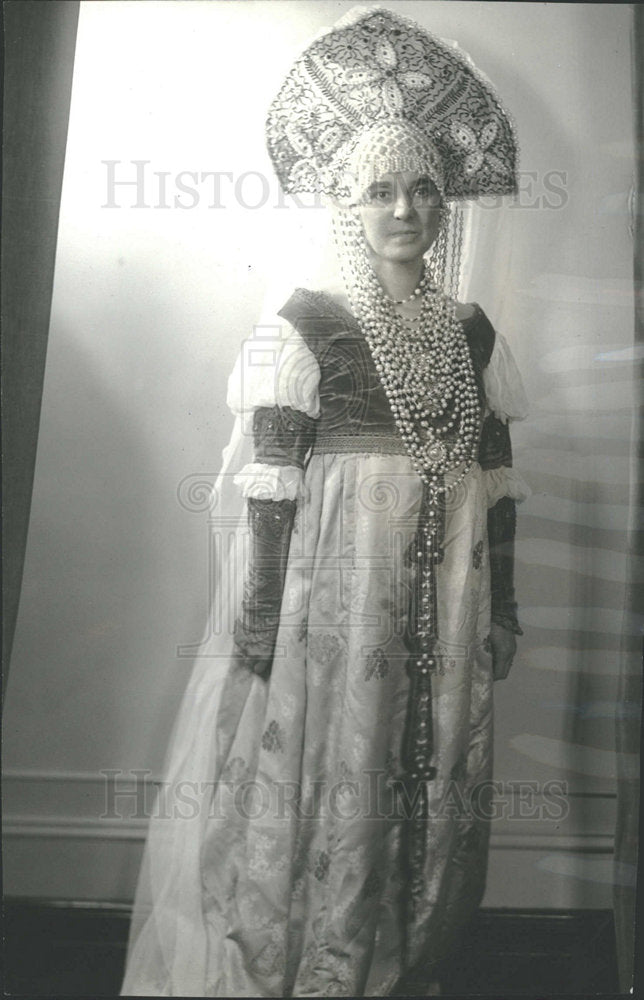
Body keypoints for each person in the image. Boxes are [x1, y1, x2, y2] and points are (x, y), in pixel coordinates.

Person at [121, 7, 529, 996]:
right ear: (346, 202)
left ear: (444, 208)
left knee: (426, 758)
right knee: (333, 753)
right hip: (335, 593)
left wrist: (505, 602)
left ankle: (403, 950)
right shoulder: (305, 323)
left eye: (422, 189)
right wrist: (261, 612)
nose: (402, 208)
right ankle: (317, 959)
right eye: (378, 188)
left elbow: (497, 476)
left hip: (450, 583)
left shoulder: (469, 332)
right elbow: (270, 482)